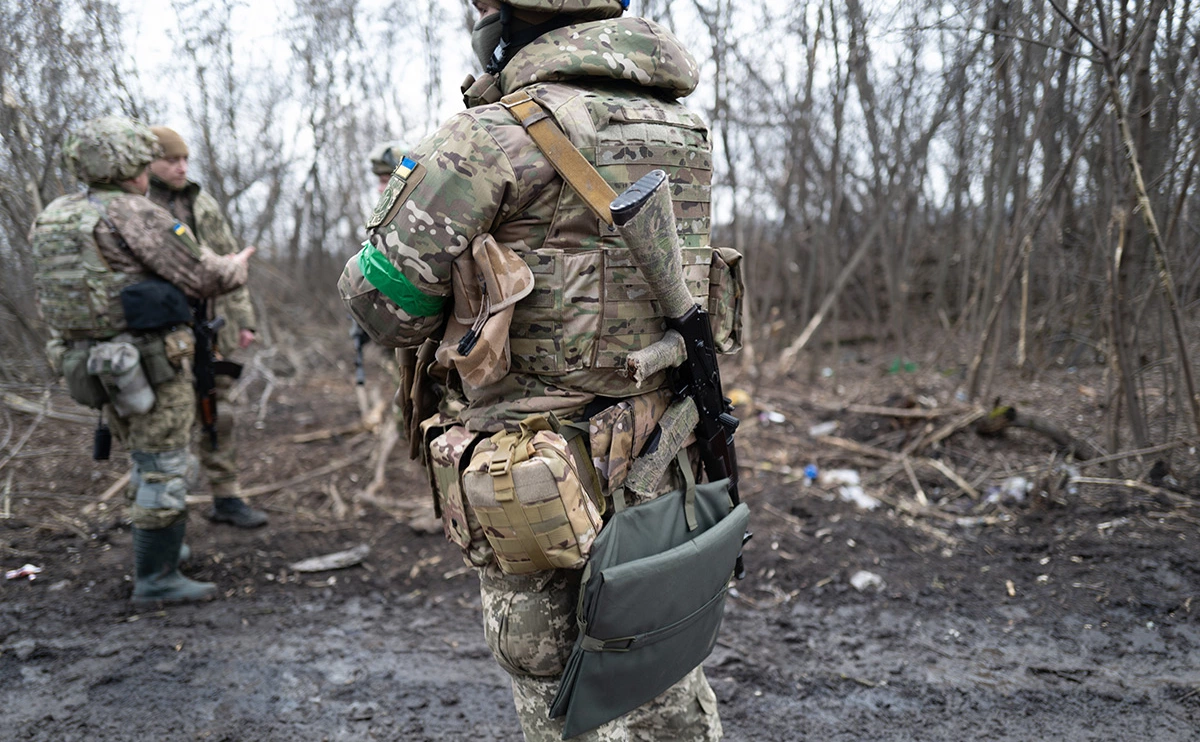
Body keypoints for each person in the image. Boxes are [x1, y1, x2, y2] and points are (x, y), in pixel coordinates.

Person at [339, 1, 723, 739]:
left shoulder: (490, 135)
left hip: (537, 470)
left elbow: (385, 309)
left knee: (558, 689)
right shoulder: (682, 126)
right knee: (661, 654)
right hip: (662, 442)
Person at [30, 116, 254, 603]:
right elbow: (204, 276)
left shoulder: (55, 215)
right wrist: (235, 267)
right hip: (149, 362)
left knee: (143, 454)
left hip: (88, 363)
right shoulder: (133, 212)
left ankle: (164, 551)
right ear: (131, 163)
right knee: (163, 462)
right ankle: (157, 577)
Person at [147, 127, 267, 529]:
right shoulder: (139, 207)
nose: (181, 167)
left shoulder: (202, 203)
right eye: (171, 160)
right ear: (150, 162)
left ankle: (226, 495)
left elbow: (232, 262)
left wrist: (244, 320)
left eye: (185, 159)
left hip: (211, 329)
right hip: (163, 333)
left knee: (220, 412)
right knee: (169, 420)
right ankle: (165, 513)